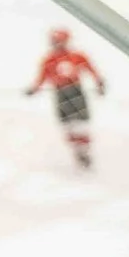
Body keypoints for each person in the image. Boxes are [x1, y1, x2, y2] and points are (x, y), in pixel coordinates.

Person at [27, 28, 106, 170]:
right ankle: (77, 148)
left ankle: (83, 148)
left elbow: (91, 69)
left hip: (75, 91)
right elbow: (42, 77)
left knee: (80, 122)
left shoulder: (76, 56)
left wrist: (99, 82)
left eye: (59, 42)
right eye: (55, 42)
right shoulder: (49, 60)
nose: (57, 45)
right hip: (61, 92)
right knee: (68, 124)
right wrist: (34, 89)